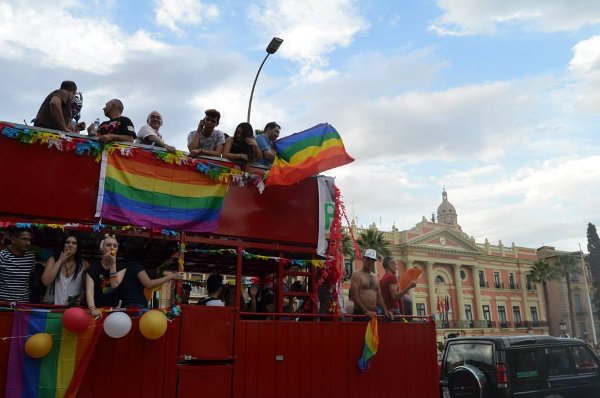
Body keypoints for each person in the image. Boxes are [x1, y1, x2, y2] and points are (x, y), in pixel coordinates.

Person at [41, 235, 90, 305]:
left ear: (77, 247)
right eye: (67, 242)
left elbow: (88, 289)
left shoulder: (84, 264)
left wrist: (81, 297)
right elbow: (45, 281)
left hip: (72, 309)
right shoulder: (53, 260)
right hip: (53, 307)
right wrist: (60, 261)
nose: (70, 245)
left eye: (74, 243)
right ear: (63, 245)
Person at [85, 234, 126, 318]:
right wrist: (93, 309)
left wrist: (113, 264)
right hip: (97, 310)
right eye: (108, 245)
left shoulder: (122, 267)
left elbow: (114, 285)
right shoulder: (93, 268)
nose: (112, 248)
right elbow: (89, 292)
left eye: (115, 246)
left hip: (114, 311)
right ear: (102, 248)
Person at [349, 249, 392, 320]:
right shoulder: (357, 275)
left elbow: (379, 297)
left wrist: (385, 311)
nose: (370, 262)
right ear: (363, 259)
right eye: (368, 259)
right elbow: (354, 295)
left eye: (372, 260)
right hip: (360, 313)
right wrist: (366, 311)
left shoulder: (375, 277)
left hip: (373, 314)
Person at [117, 262, 182, 308]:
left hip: (121, 303)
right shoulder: (136, 265)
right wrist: (171, 276)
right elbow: (148, 284)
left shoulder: (120, 266)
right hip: (135, 304)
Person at [0, 227, 36, 303]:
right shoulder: (2, 256)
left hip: (23, 304)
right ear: (13, 239)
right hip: (4, 304)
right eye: (24, 239)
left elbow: (30, 278)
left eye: (29, 240)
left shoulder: (30, 257)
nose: (28, 243)